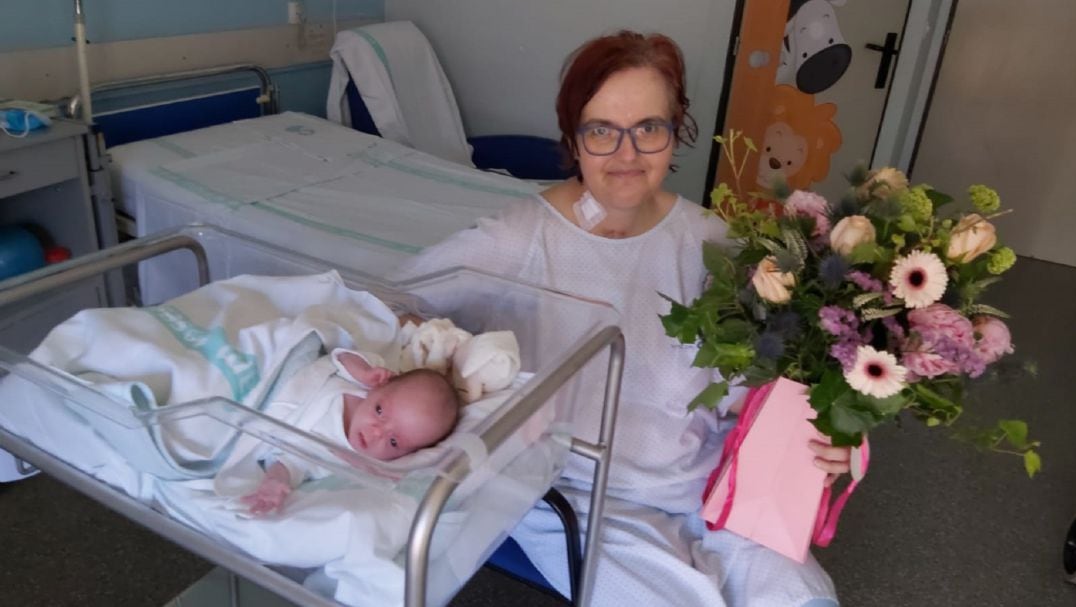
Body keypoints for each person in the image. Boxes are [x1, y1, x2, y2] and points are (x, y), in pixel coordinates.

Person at [391, 30, 851, 606]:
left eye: (648, 129)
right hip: (580, 495)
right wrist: (443, 392)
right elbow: (395, 302)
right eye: (602, 130)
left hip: (713, 487)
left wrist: (823, 440)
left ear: (674, 129)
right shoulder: (518, 240)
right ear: (573, 137)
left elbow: (753, 384)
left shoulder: (715, 242)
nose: (627, 155)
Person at [239, 350, 460, 516]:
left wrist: (274, 483)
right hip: (276, 370)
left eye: (393, 442)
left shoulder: (338, 455)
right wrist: (364, 372)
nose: (376, 432)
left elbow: (289, 462)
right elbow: (340, 356)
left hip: (253, 408)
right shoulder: (363, 382)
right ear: (380, 387)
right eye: (380, 410)